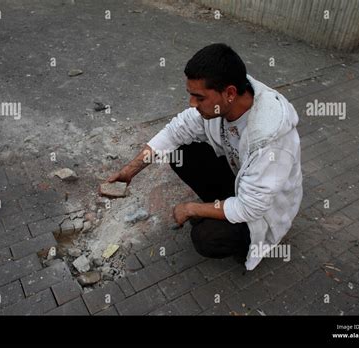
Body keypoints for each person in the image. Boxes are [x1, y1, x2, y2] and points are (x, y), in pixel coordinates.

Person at [107, 43, 302, 270]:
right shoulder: (222, 105)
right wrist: (130, 171)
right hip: (241, 179)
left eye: (199, 98)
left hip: (263, 210)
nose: (192, 104)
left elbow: (251, 207)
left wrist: (192, 208)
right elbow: (175, 131)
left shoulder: (270, 139)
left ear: (229, 93)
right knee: (181, 152)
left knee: (206, 238)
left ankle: (246, 243)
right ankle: (220, 205)